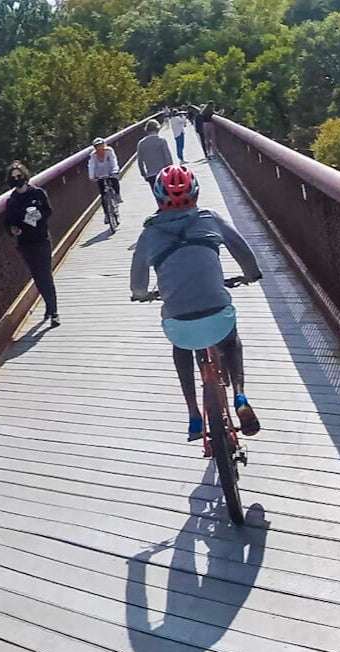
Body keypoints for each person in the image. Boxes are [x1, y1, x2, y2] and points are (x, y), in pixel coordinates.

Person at [130, 165, 263, 441]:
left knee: (181, 348)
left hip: (179, 323)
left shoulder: (149, 233)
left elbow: (138, 280)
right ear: (196, 193)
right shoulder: (209, 218)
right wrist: (250, 274)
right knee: (231, 341)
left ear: (158, 198)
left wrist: (141, 294)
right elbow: (242, 250)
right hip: (217, 315)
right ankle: (240, 396)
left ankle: (193, 415)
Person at [4, 161, 58, 327]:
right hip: (25, 244)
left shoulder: (37, 193)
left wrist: (40, 215)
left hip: (41, 239)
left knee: (45, 275)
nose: (17, 179)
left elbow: (48, 210)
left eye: (19, 176)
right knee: (37, 276)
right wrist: (13, 230)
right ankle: (49, 305)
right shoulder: (11, 201)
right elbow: (8, 223)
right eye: (14, 177)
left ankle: (53, 311)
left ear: (25, 176)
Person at [136, 120, 172, 192]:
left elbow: (140, 161)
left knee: (157, 194)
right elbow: (168, 157)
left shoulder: (141, 143)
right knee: (168, 193)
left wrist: (144, 174)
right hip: (164, 173)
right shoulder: (161, 140)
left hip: (151, 175)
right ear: (157, 128)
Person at [87, 137, 122, 212]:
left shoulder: (109, 151)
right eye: (98, 146)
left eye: (101, 145)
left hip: (110, 171)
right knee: (103, 195)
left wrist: (115, 169)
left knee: (114, 180)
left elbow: (113, 160)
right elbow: (91, 166)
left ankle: (117, 195)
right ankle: (106, 213)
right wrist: (91, 176)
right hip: (100, 174)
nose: (100, 147)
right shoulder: (93, 155)